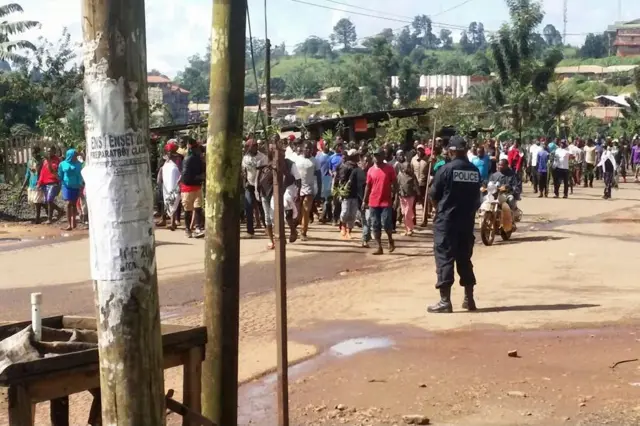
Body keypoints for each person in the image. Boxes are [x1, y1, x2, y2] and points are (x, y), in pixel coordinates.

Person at [427, 136, 481, 314]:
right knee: (464, 258)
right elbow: (477, 200)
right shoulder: (474, 171)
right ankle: (469, 299)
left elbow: (433, 196)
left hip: (447, 222)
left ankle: (445, 301)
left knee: (444, 258)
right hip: (466, 222)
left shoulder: (445, 169)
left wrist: (439, 211)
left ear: (451, 151)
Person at [362, 148, 397, 255]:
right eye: (375, 156)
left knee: (386, 223)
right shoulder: (370, 170)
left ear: (383, 156)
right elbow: (368, 187)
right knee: (375, 225)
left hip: (386, 201)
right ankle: (379, 247)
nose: (376, 158)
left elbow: (395, 184)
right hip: (373, 202)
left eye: (378, 155)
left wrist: (395, 198)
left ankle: (390, 240)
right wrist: (364, 201)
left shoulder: (389, 169)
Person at [242, 139, 268, 238]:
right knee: (248, 207)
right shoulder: (245, 158)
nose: (255, 147)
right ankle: (250, 231)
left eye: (256, 145)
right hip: (250, 185)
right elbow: (244, 171)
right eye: (252, 146)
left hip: (260, 186)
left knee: (262, 207)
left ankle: (267, 227)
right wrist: (245, 182)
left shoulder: (262, 157)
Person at [295, 141, 321, 241]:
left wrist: (318, 191)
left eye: (310, 148)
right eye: (306, 148)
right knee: (297, 211)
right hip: (297, 188)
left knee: (306, 211)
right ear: (302, 149)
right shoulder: (297, 160)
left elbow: (318, 177)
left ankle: (303, 232)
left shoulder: (315, 161)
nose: (308, 150)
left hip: (309, 188)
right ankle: (295, 228)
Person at [181, 139, 205, 238]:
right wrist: (198, 177)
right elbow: (186, 177)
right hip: (188, 188)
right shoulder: (188, 159)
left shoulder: (199, 159)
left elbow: (203, 170)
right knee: (188, 210)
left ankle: (197, 228)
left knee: (198, 208)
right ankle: (188, 229)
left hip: (197, 187)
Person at [336, 148, 360, 239]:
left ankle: (349, 231)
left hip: (355, 193)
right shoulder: (345, 166)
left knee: (352, 213)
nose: (358, 157)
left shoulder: (357, 167)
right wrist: (340, 192)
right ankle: (343, 226)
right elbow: (341, 180)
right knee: (345, 212)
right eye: (357, 155)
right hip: (346, 193)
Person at [37, 146, 65, 224]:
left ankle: (49, 219)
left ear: (54, 151)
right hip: (45, 183)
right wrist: (39, 183)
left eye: (50, 151)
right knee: (47, 201)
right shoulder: (44, 161)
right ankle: (60, 210)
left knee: (49, 200)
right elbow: (42, 172)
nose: (48, 153)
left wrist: (49, 161)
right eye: (47, 151)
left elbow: (53, 170)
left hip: (54, 183)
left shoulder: (58, 161)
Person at [58, 148, 84, 231]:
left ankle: (74, 222)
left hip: (76, 186)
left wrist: (80, 186)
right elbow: (60, 175)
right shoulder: (62, 164)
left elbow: (80, 175)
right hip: (66, 186)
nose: (76, 157)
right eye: (74, 155)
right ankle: (69, 224)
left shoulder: (79, 164)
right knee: (69, 203)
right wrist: (60, 183)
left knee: (74, 204)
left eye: (76, 155)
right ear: (70, 156)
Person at [159, 142, 182, 230]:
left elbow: (180, 172)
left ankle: (173, 222)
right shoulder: (168, 162)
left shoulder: (177, 160)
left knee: (173, 202)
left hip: (174, 184)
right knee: (171, 202)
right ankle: (172, 222)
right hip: (169, 185)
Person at [21, 146, 45, 224]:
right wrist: (23, 186)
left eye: (35, 152)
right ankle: (57, 210)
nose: (33, 154)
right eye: (33, 152)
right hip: (32, 183)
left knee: (37, 201)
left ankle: (37, 218)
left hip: (39, 183)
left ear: (38, 153)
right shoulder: (30, 162)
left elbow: (42, 172)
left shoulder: (42, 161)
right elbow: (27, 174)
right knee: (34, 201)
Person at [397, 161, 419, 236]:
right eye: (406, 166)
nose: (408, 168)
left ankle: (410, 228)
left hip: (410, 196)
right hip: (402, 196)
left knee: (407, 212)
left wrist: (419, 194)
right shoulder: (399, 175)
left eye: (409, 166)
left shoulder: (412, 175)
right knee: (404, 212)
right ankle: (407, 229)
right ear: (403, 167)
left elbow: (416, 185)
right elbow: (397, 184)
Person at [410, 144, 429, 225]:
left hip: (424, 184)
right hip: (415, 184)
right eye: (418, 149)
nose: (420, 151)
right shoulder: (413, 159)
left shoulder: (428, 159)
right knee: (413, 202)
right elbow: (411, 171)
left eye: (421, 149)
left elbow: (431, 171)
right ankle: (413, 219)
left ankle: (424, 220)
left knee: (424, 202)